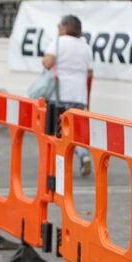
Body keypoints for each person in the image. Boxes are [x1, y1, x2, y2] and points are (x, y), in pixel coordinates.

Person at [43, 14, 94, 176]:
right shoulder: (86, 46)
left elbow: (48, 63)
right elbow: (90, 73)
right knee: (75, 130)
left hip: (59, 96)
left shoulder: (58, 42)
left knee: (57, 131)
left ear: (64, 28)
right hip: (79, 95)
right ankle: (83, 155)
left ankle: (57, 166)